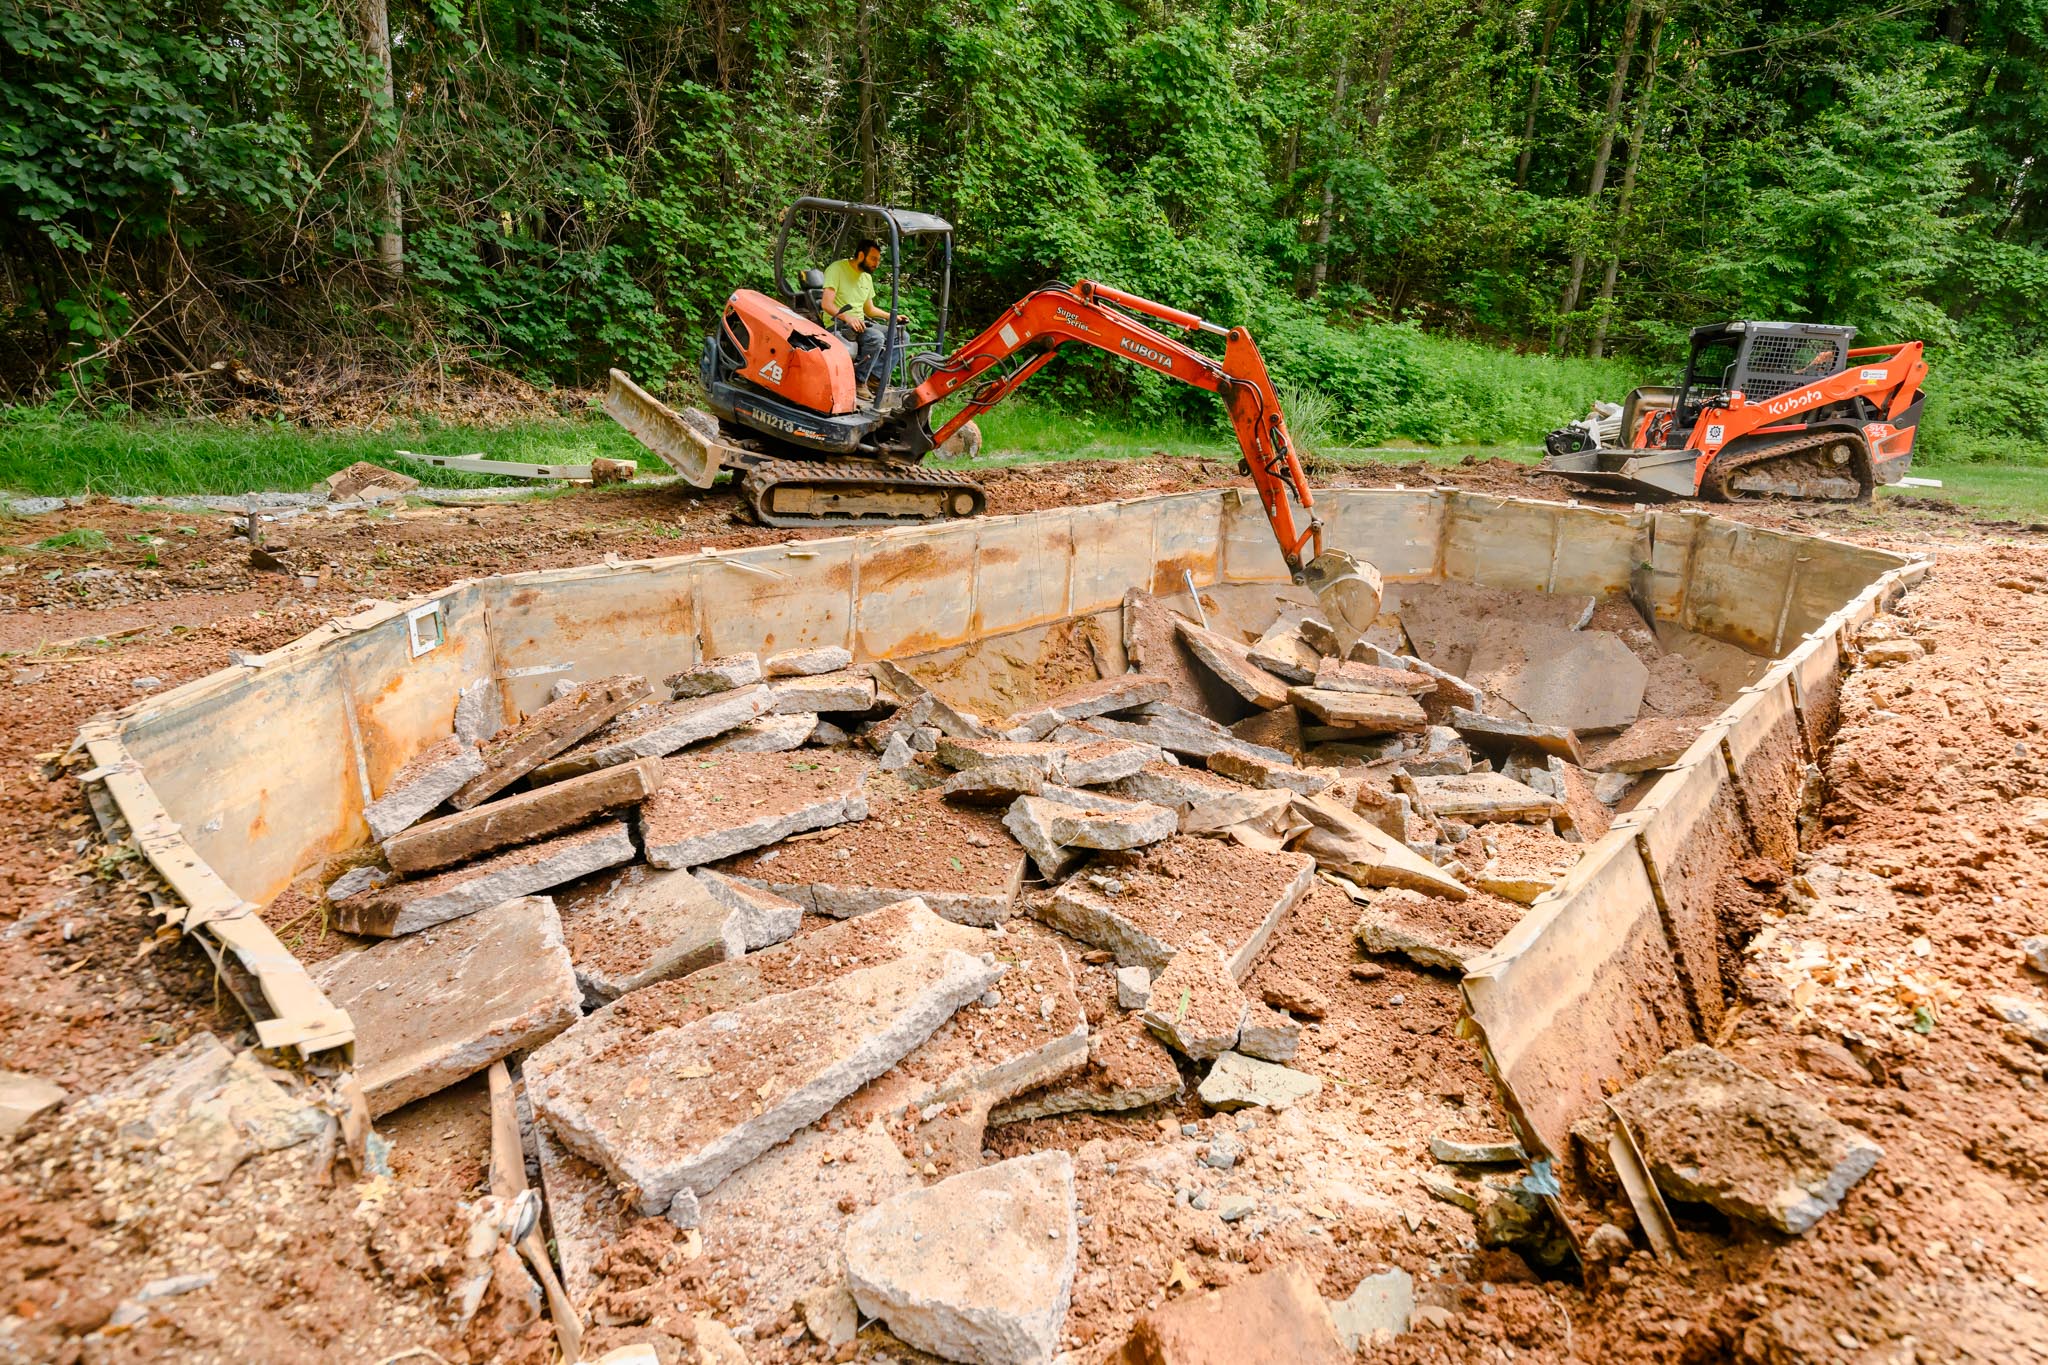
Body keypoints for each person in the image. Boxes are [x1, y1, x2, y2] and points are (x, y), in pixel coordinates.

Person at [819, 237, 900, 401]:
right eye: (873, 259)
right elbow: (826, 304)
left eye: (878, 260)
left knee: (900, 334)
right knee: (876, 338)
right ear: (861, 255)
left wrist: (893, 317)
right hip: (838, 324)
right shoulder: (837, 269)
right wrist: (848, 318)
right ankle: (858, 381)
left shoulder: (866, 278)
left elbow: (869, 309)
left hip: (861, 324)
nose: (876, 264)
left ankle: (874, 379)